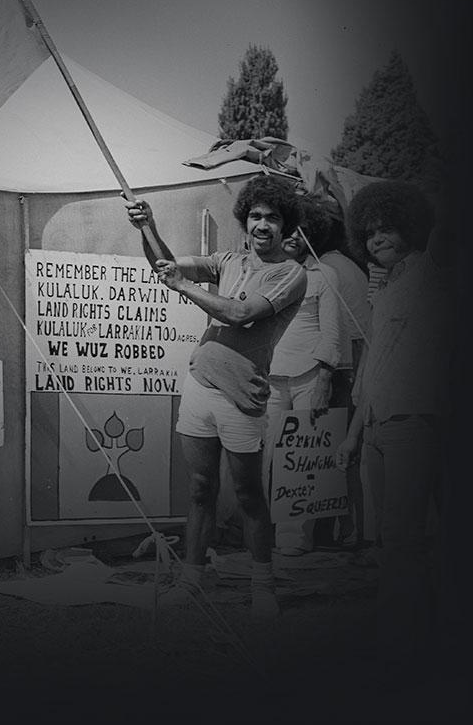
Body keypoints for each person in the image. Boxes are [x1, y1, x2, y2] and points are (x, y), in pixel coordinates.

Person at [125, 175, 306, 617]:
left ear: (286, 227)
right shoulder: (228, 260)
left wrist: (183, 287)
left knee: (247, 495)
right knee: (201, 489)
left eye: (273, 218)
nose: (263, 225)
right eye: (256, 216)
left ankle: (263, 586)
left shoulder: (291, 273)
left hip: (242, 398)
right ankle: (191, 580)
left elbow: (242, 313)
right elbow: (167, 265)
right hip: (199, 387)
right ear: (245, 221)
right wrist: (148, 227)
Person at [336, 180, 454, 673]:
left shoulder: (432, 274)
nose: (377, 238)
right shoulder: (383, 292)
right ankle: (413, 634)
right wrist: (353, 433)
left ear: (412, 228)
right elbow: (371, 368)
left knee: (404, 538)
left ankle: (399, 647)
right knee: (388, 540)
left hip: (414, 423)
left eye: (388, 227)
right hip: (378, 429)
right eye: (368, 232)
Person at [264, 194, 345, 556]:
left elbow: (331, 333)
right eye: (289, 228)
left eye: (303, 229)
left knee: (301, 459)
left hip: (310, 374)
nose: (295, 235)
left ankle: (295, 540)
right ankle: (262, 535)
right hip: (269, 376)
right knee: (266, 457)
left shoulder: (325, 274)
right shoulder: (267, 271)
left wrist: (324, 380)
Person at [314, 199, 371, 549]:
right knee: (349, 454)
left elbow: (337, 330)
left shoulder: (325, 268)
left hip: (343, 368)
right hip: (357, 367)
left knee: (332, 452)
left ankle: (338, 530)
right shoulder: (347, 264)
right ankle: (350, 528)